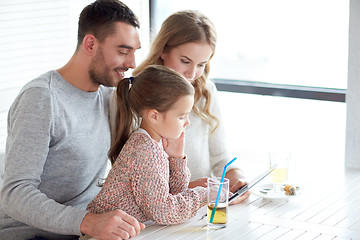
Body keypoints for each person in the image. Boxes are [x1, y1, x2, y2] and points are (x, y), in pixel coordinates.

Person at [0, 1, 145, 239]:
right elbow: (15, 193)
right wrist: (89, 223)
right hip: (33, 235)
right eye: (123, 51)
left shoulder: (108, 95)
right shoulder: (42, 98)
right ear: (90, 44)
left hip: (83, 232)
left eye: (134, 52)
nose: (131, 64)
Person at [131, 10, 251, 203]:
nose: (192, 73)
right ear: (163, 50)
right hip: (153, 217)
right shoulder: (135, 93)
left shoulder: (205, 91)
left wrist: (236, 176)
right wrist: (187, 189)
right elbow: (130, 177)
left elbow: (221, 159)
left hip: (198, 209)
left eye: (201, 64)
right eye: (185, 61)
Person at [87, 65, 207, 224]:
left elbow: (171, 195)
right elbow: (164, 212)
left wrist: (176, 159)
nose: (188, 122)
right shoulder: (144, 151)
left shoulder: (152, 144)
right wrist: (203, 195)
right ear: (154, 116)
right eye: (181, 117)